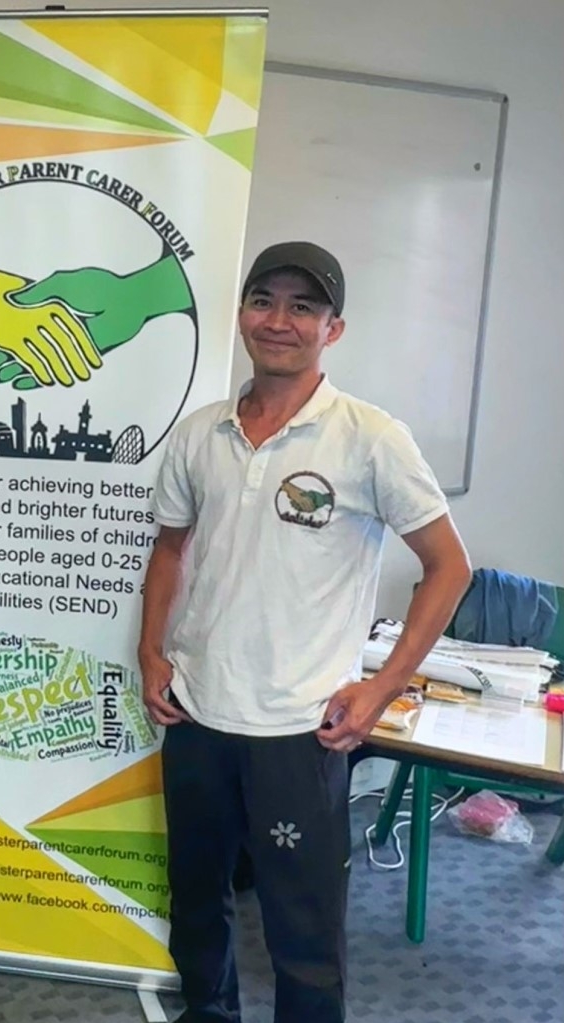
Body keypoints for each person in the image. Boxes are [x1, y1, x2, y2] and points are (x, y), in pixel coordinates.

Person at [138, 241, 471, 1023]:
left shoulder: (368, 437)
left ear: (334, 329)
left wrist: (381, 687)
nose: (278, 320)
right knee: (196, 902)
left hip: (300, 726)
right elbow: (168, 547)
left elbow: (446, 565)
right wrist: (151, 650)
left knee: (302, 929)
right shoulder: (201, 433)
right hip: (195, 712)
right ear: (242, 314)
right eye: (263, 300)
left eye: (302, 307)